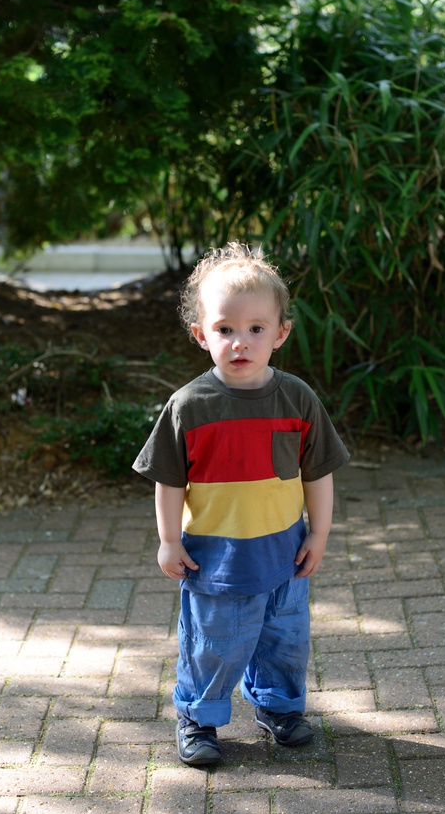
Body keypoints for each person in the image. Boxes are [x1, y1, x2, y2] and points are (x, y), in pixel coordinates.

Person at [133, 242, 350, 767]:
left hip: (284, 555)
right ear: (201, 334)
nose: (240, 342)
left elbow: (317, 472)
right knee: (213, 642)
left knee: (285, 639)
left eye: (256, 328)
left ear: (280, 333)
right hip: (215, 560)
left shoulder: (297, 399)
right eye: (225, 328)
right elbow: (169, 482)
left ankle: (279, 707)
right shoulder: (189, 406)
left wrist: (319, 533)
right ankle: (198, 716)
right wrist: (168, 541)